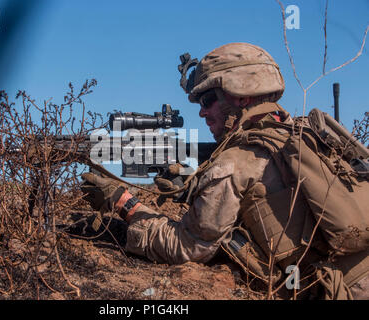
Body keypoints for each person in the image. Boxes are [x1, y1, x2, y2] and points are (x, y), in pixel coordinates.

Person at [81, 43, 368, 299]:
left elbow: (188, 247)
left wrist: (125, 203)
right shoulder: (306, 133)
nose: (202, 113)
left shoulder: (234, 162)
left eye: (208, 101)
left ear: (241, 96)